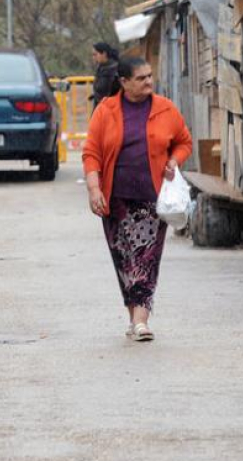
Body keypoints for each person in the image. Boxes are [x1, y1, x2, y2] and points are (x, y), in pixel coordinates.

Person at [82, 57, 192, 342]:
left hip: (150, 200)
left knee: (145, 258)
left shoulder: (165, 108)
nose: (148, 82)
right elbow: (91, 152)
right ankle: (134, 317)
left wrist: (174, 160)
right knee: (124, 260)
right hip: (115, 199)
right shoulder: (106, 111)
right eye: (141, 78)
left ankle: (142, 320)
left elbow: (184, 141)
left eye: (150, 76)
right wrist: (94, 189)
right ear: (124, 82)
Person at [89, 42, 121, 107]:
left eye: (95, 54)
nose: (93, 57)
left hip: (110, 106)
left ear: (104, 54)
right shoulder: (101, 67)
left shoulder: (115, 69)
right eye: (92, 55)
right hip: (100, 104)